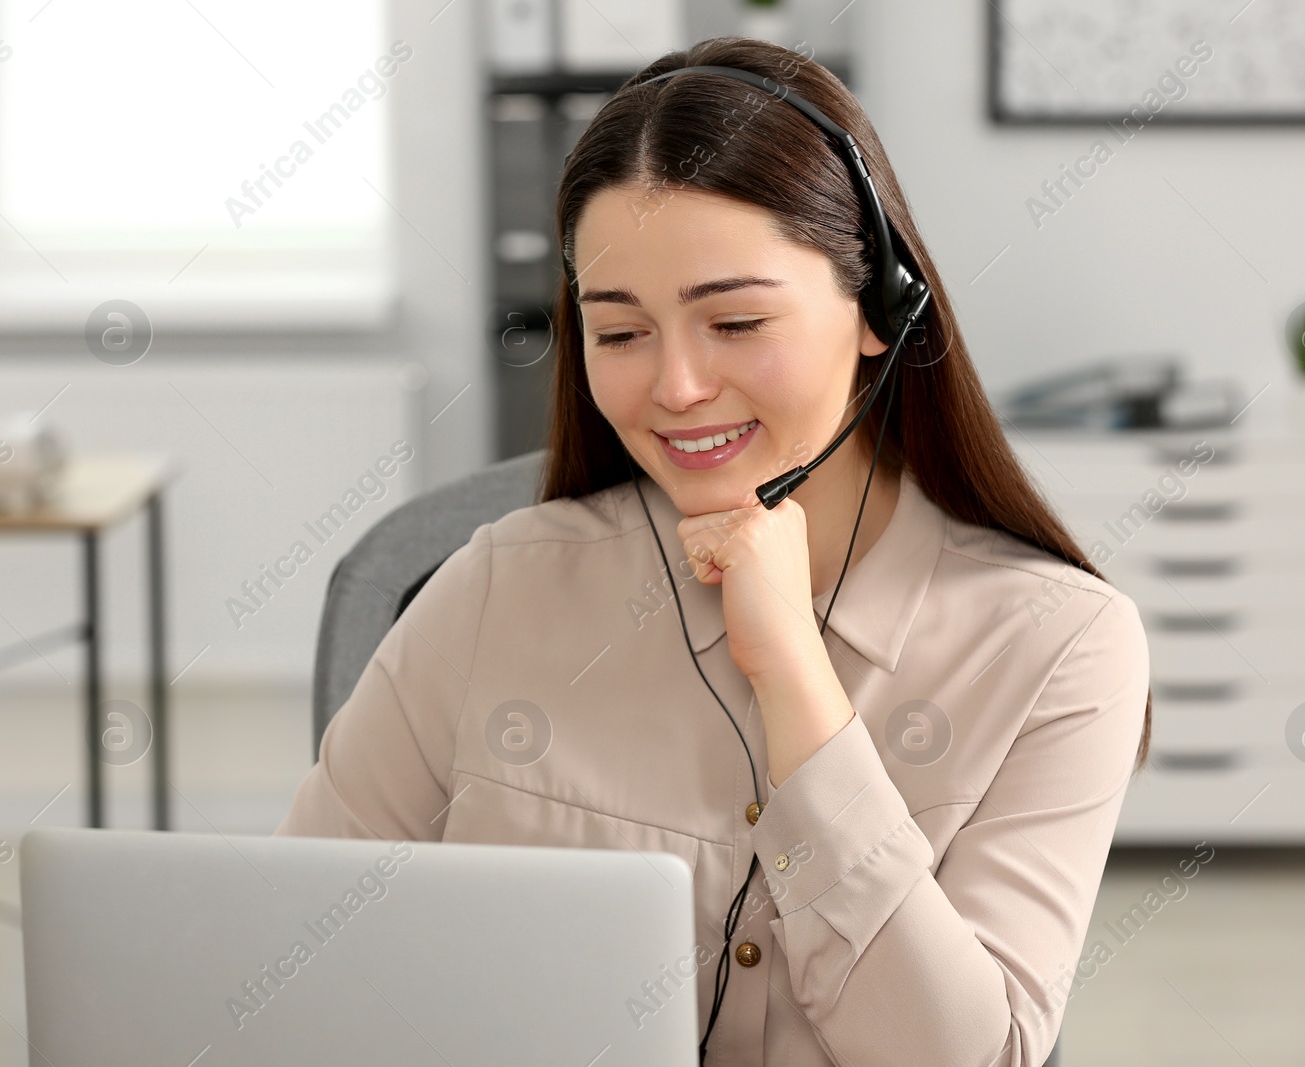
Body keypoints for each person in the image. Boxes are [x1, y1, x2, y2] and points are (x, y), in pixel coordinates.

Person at [277, 35, 1151, 1067]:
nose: (676, 386)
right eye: (619, 333)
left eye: (733, 321)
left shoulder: (1060, 646)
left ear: (879, 311)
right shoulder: (493, 587)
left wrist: (792, 673)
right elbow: (295, 957)